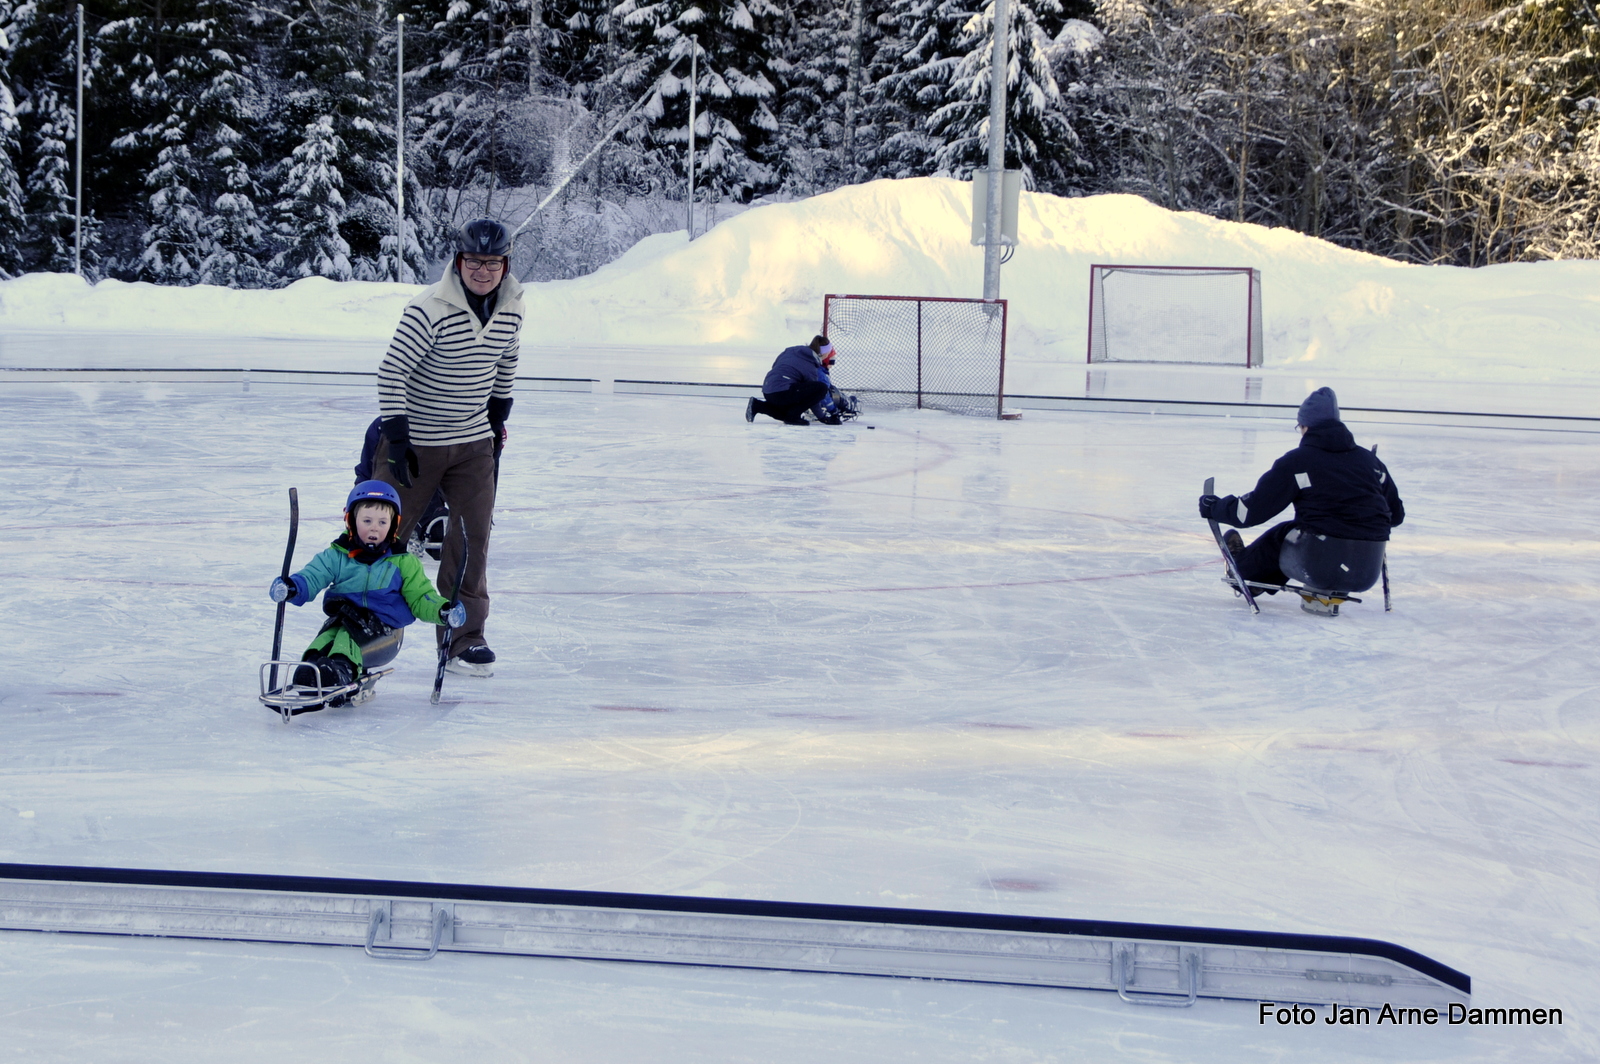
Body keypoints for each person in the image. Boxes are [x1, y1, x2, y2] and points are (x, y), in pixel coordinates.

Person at [372, 217, 524, 677]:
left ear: (505, 265)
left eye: (492, 262)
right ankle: (364, 624)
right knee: (380, 536)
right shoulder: (428, 309)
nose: (483, 270)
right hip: (415, 443)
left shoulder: (513, 309)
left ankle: (463, 638)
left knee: (471, 540)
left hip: (473, 443)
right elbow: (391, 371)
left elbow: (507, 361)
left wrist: (497, 420)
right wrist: (397, 439)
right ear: (458, 262)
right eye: (474, 261)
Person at [1198, 387, 1404, 604]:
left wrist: (1215, 507)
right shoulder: (1371, 463)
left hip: (1319, 565)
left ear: (1306, 426)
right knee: (1306, 530)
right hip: (1365, 572)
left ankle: (1243, 571)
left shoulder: (1298, 462)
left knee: (1286, 534)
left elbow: (1249, 513)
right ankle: (1257, 576)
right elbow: (1396, 516)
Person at [269, 481, 465, 694]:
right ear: (351, 521)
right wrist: (293, 587)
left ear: (393, 525)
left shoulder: (402, 562)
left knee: (346, 639)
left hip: (385, 633)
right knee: (326, 638)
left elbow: (421, 597)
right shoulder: (337, 556)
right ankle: (311, 669)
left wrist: (442, 610)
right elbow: (313, 575)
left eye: (383, 522)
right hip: (345, 620)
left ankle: (339, 671)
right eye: (367, 520)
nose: (374, 527)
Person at [745, 335, 848, 425]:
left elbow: (776, 365)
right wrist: (823, 418)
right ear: (824, 354)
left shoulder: (793, 350)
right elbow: (815, 396)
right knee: (821, 388)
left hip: (768, 389)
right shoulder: (811, 366)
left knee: (785, 414)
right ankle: (793, 416)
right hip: (782, 391)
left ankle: (757, 405)